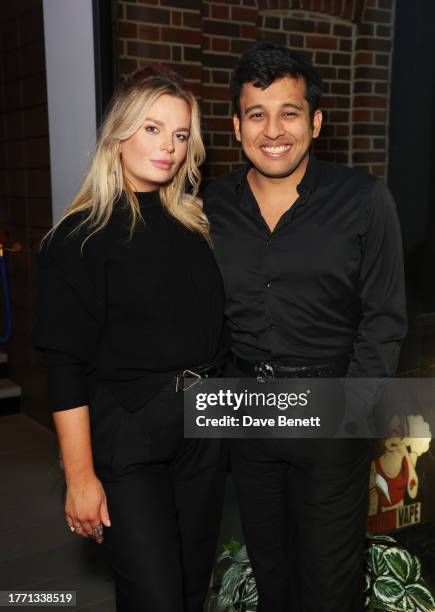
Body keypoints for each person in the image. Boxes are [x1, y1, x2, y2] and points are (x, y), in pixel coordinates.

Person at [203, 42, 407, 612]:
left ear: (315, 122)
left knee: (329, 585)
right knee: (272, 575)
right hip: (247, 415)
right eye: (257, 113)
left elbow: (385, 319)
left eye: (289, 112)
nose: (274, 129)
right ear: (236, 125)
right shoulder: (209, 206)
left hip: (329, 414)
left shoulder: (365, 201)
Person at [33, 66, 227, 612]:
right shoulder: (77, 238)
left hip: (203, 432)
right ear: (118, 134)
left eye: (180, 134)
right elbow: (64, 365)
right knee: (155, 599)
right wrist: (79, 478)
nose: (168, 146)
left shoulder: (194, 225)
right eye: (151, 128)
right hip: (129, 439)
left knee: (190, 592)